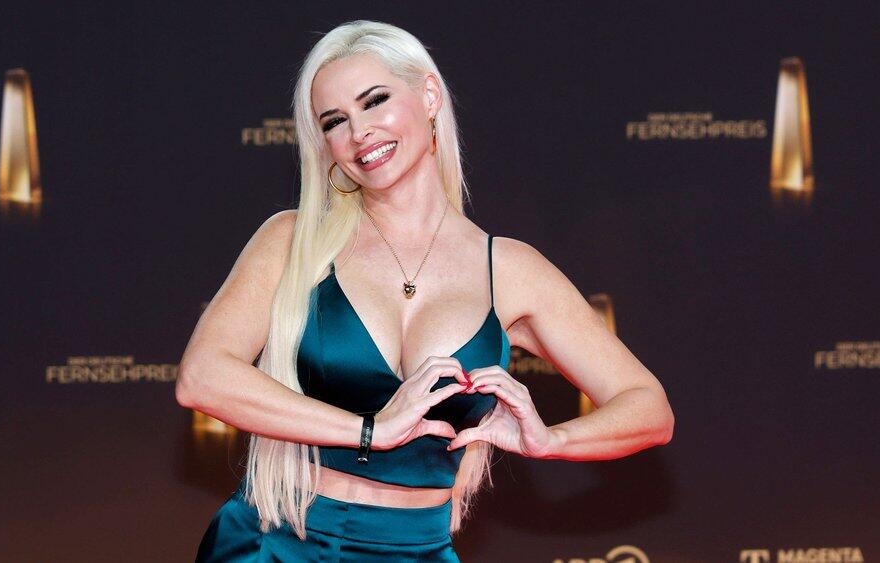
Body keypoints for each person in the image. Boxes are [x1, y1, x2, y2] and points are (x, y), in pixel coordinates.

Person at [175, 19, 674, 562]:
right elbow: (203, 378)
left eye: (375, 101)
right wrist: (370, 430)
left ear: (429, 95)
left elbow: (648, 407)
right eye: (335, 121)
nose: (360, 132)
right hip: (277, 543)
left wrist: (552, 441)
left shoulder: (509, 270)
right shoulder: (293, 241)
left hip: (416, 549)